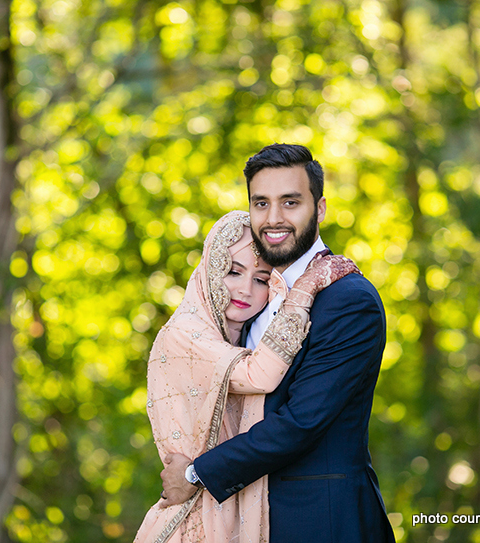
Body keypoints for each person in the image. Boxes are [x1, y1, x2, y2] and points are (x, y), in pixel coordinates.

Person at [160, 144, 397, 542]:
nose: (273, 219)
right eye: (261, 203)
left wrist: (196, 474)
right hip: (245, 519)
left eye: (290, 202)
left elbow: (301, 423)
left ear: (319, 209)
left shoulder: (348, 300)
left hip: (322, 519)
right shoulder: (251, 297)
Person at [134, 210, 358, 543]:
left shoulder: (239, 335)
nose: (245, 289)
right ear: (211, 268)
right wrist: (306, 288)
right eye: (233, 272)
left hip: (232, 504)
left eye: (261, 279)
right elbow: (260, 376)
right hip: (196, 518)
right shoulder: (185, 334)